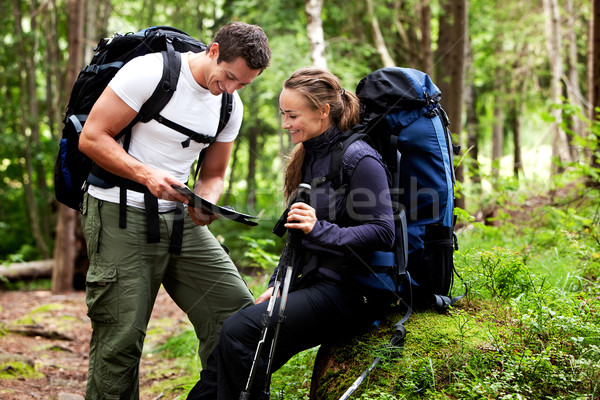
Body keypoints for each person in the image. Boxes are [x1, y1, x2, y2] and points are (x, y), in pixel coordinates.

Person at [78, 22, 271, 399]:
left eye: (243, 84)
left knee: (235, 315)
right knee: (121, 338)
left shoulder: (230, 105)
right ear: (213, 52)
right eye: (229, 77)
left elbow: (214, 174)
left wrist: (206, 202)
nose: (231, 88)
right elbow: (92, 137)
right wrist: (145, 174)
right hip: (118, 212)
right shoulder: (150, 72)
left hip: (180, 220)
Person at [186, 67, 396, 399]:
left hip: (353, 293)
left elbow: (384, 233)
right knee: (235, 353)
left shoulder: (360, 158)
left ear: (323, 111)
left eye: (292, 115)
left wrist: (321, 229)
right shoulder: (310, 155)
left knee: (240, 331)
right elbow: (297, 238)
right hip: (314, 283)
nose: (285, 124)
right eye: (283, 114)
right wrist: (276, 284)